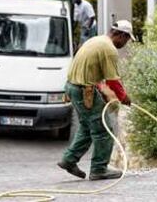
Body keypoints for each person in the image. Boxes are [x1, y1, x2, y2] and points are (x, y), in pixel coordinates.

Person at [57, 19, 135, 181]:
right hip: (84, 91)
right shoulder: (109, 49)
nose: (126, 43)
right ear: (121, 35)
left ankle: (69, 160)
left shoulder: (95, 40)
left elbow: (92, 71)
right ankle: (99, 169)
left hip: (72, 87)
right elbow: (113, 80)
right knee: (103, 130)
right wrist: (123, 97)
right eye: (127, 39)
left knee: (87, 127)